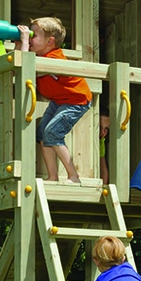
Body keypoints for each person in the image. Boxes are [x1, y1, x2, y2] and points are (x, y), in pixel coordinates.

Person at [16, 17, 90, 183]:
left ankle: (74, 176)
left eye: (34, 35)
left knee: (53, 133)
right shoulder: (39, 56)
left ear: (50, 42)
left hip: (76, 100)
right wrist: (19, 45)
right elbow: (19, 69)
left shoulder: (53, 58)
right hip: (59, 100)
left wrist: (25, 43)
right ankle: (53, 176)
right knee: (43, 134)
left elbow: (26, 68)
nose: (30, 38)